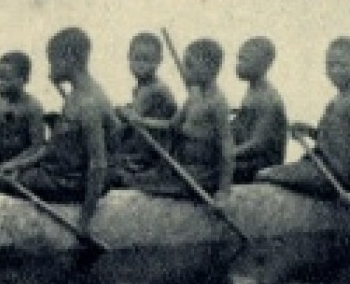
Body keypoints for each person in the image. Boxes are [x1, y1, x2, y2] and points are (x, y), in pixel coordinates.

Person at [0, 27, 115, 225]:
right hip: (55, 174)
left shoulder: (87, 103)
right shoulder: (77, 95)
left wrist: (85, 220)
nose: (49, 69)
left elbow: (98, 164)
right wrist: (8, 166)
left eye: (52, 62)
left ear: (69, 58)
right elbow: (51, 148)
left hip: (67, 183)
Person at [258, 37, 350, 208]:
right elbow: (338, 140)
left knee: (264, 174)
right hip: (322, 166)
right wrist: (309, 131)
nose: (335, 71)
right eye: (330, 65)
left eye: (342, 65)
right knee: (270, 172)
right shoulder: (342, 97)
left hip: (333, 176)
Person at [119, 38, 235, 198]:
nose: (185, 71)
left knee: (128, 181)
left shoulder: (218, 103)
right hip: (181, 167)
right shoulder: (194, 96)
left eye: (190, 66)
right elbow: (172, 125)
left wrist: (224, 190)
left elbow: (227, 147)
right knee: (128, 177)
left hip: (201, 174)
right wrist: (140, 121)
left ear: (211, 68)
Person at [113, 33, 178, 177]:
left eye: (147, 60)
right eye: (137, 58)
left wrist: (121, 114)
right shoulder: (143, 87)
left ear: (158, 61)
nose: (141, 64)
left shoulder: (155, 89)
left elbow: (132, 119)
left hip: (153, 153)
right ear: (129, 58)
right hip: (146, 144)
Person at [0, 51, 52, 169]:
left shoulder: (32, 107)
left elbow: (37, 147)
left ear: (24, 80)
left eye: (6, 79)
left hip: (23, 167)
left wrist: (11, 165)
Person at [231, 36, 288, 183]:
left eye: (244, 60)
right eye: (238, 59)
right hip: (246, 158)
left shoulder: (268, 98)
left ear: (263, 64)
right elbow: (242, 126)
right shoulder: (253, 90)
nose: (238, 65)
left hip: (259, 165)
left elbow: (258, 144)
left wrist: (227, 153)